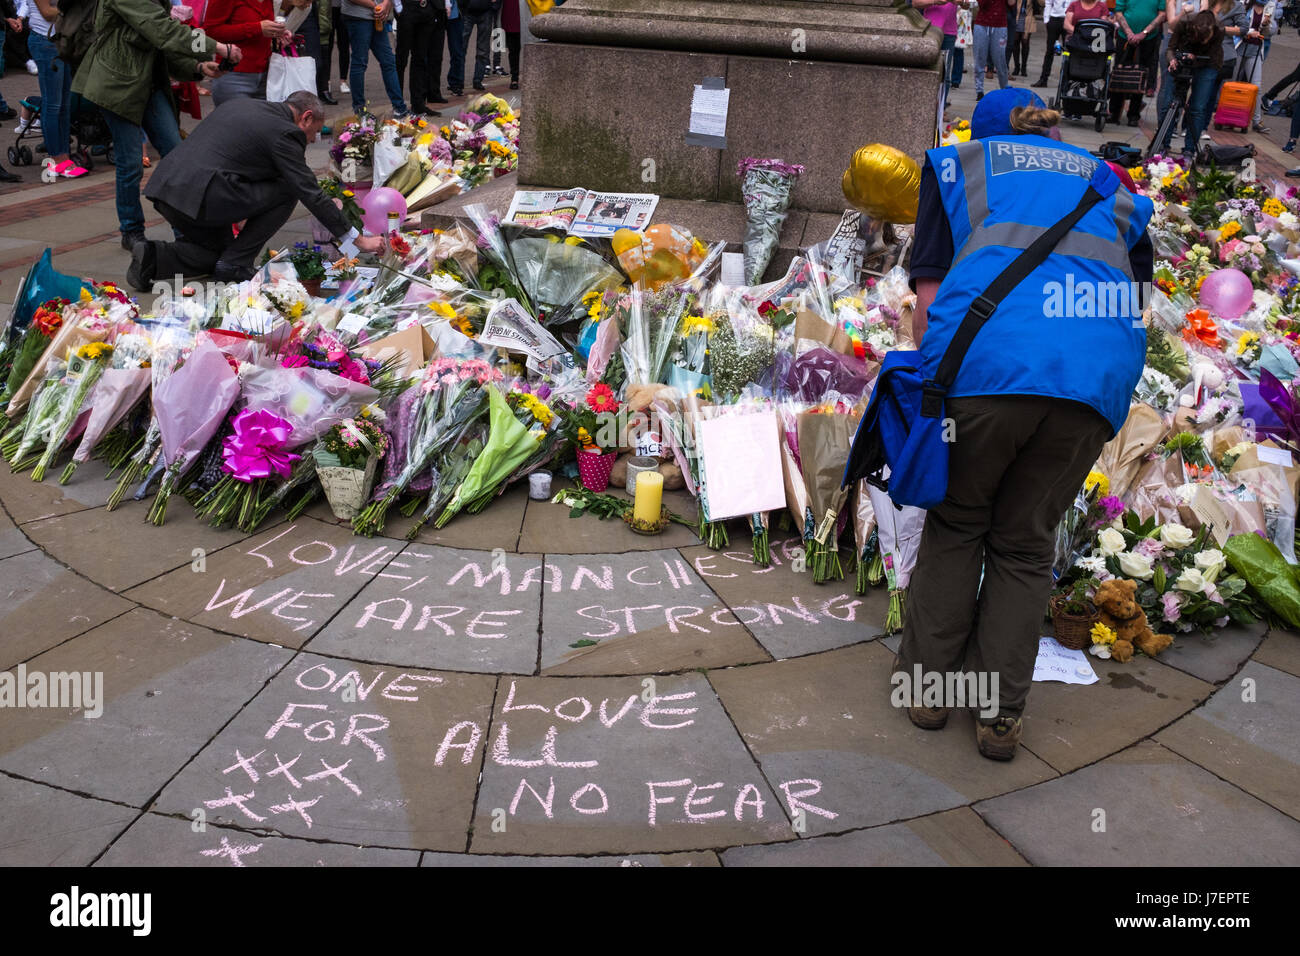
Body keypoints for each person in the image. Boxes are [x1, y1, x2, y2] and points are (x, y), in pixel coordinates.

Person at [901, 87, 1154, 761]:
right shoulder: (1110, 183)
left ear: (982, 134)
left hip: (987, 375)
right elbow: (1137, 299)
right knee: (1023, 544)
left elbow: (928, 306)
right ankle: (999, 716)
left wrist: (931, 391)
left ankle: (927, 694)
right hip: (1092, 388)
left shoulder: (963, 167)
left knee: (959, 522)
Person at [129, 91, 386, 287]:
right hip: (204, 195)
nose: (310, 140)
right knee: (290, 188)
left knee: (216, 256)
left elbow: (234, 157)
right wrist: (356, 239)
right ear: (306, 117)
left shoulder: (243, 104)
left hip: (167, 190)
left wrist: (242, 209)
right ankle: (237, 263)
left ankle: (152, 257)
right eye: (314, 133)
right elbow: (310, 191)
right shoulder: (285, 132)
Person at [73, 0, 239, 250]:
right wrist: (218, 47)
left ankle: (184, 229)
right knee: (130, 164)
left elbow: (160, 44)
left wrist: (197, 66)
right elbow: (164, 31)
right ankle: (131, 231)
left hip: (148, 84)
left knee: (177, 156)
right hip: (116, 85)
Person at [20, 0, 83, 178]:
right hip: (45, 42)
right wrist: (76, 10)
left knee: (64, 104)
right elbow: (47, 12)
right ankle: (57, 158)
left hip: (61, 41)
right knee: (53, 104)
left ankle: (64, 155)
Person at [1155, 10, 1223, 161]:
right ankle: (1163, 145)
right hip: (1182, 58)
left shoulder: (1219, 30)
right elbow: (1170, 48)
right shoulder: (1184, 23)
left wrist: (1195, 59)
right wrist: (1173, 60)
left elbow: (1213, 56)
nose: (1204, 41)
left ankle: (1189, 149)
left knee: (1197, 108)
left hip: (1208, 64)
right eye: (1201, 38)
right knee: (1169, 103)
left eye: (1207, 38)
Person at [203, 0, 292, 106]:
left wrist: (276, 34)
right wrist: (256, 28)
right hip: (233, 77)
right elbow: (210, 32)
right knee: (236, 121)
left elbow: (262, 29)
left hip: (266, 77)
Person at [340, 0, 406, 115]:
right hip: (358, 16)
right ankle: (360, 111)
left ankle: (400, 109)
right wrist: (377, 6)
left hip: (377, 16)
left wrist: (385, 3)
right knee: (360, 63)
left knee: (388, 62)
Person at [1110, 0, 1165, 126]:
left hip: (1149, 38)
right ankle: (1114, 112)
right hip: (1124, 36)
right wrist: (1129, 32)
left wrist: (1144, 33)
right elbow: (1118, 12)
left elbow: (1162, 14)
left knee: (1141, 75)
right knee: (1119, 73)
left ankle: (1134, 114)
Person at [396, 0, 447, 113]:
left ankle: (418, 104)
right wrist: (398, 6)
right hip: (407, 7)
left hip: (426, 9)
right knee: (401, 59)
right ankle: (398, 104)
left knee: (420, 58)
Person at [1238, 0, 1275, 131]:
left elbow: (1269, 33)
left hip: (1255, 50)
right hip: (1239, 47)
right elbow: (1238, 26)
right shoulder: (1244, 5)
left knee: (1256, 86)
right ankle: (1225, 115)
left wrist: (1266, 25)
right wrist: (1248, 32)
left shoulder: (1268, 9)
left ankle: (1256, 120)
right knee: (1230, 82)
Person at [916, 0, 961, 98]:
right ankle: (925, 102)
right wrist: (935, 1)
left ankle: (941, 109)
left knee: (945, 74)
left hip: (949, 33)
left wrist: (964, 3)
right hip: (930, 30)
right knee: (927, 70)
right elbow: (915, 3)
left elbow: (965, 4)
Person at [973, 0, 1015, 99]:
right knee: (980, 58)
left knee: (1000, 60)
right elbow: (982, 4)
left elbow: (1011, 4)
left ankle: (1004, 88)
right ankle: (979, 90)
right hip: (982, 24)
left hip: (1000, 25)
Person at [460, 0, 497, 92]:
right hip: (467, 11)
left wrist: (494, 6)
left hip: (486, 11)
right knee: (461, 48)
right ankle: (459, 80)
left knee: (483, 49)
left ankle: (477, 80)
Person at [1033, 0, 1071, 85]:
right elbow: (1049, 3)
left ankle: (1066, 81)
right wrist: (1046, 20)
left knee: (1068, 52)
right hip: (1054, 20)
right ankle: (1043, 79)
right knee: (1049, 51)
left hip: (1069, 20)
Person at [1010, 0, 1042, 76]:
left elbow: (1042, 3)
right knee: (1015, 42)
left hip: (1028, 19)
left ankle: (1024, 67)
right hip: (1016, 17)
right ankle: (1016, 67)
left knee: (1025, 43)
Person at [445, 0, 465, 95]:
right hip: (437, 12)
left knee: (457, 52)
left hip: (456, 15)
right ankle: (430, 88)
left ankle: (456, 82)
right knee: (433, 54)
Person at [501, 0, 519, 89]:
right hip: (509, 15)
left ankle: (532, 76)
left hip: (525, 13)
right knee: (513, 50)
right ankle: (514, 78)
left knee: (529, 50)